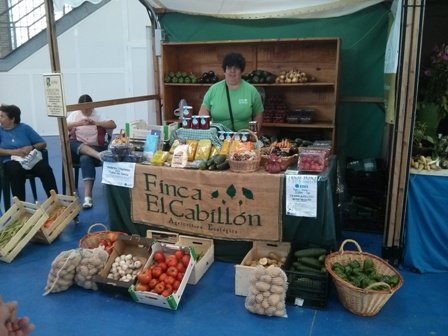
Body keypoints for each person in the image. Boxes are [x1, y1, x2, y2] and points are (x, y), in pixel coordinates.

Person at [66, 94, 116, 209]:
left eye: (88, 108)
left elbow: (112, 124)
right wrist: (78, 123)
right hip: (79, 148)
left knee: (85, 158)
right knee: (71, 143)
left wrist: (96, 123)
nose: (86, 111)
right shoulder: (74, 115)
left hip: (96, 147)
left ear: (92, 107)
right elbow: (63, 126)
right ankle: (99, 156)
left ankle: (87, 197)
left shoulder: (98, 115)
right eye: (83, 108)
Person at [0, 104, 58, 202]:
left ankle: (55, 201)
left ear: (12, 119)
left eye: (2, 116)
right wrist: (14, 152)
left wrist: (31, 147)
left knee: (45, 169)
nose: (0, 118)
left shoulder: (25, 128)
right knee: (15, 172)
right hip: (10, 160)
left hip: (29, 159)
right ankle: (21, 207)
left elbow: (42, 143)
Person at [198, 52, 264, 132]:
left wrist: (254, 133)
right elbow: (203, 111)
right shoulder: (213, 89)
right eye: (229, 67)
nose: (232, 71)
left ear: (241, 71)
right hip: (218, 139)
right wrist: (206, 130)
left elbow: (258, 114)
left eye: (236, 68)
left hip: (244, 140)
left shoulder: (251, 91)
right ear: (224, 70)